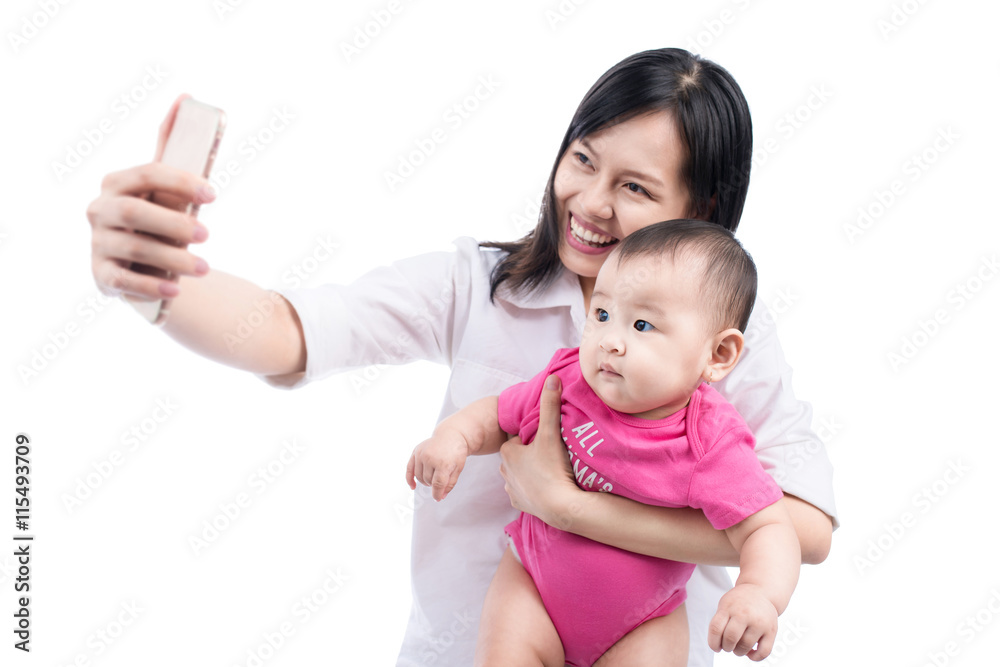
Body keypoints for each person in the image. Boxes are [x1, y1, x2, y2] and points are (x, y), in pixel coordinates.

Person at [86, 48, 838, 666]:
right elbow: (291, 332)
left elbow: (804, 526)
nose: (589, 202)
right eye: (582, 159)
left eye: (634, 187)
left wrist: (569, 506)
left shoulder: (729, 342)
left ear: (700, 210)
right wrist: (158, 285)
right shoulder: (481, 283)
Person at [406, 220, 800, 666]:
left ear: (717, 355)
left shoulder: (709, 442)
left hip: (643, 623)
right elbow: (498, 413)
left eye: (643, 325)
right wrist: (453, 437)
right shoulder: (568, 381)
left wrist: (758, 592)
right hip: (532, 585)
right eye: (603, 315)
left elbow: (768, 527)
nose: (611, 341)